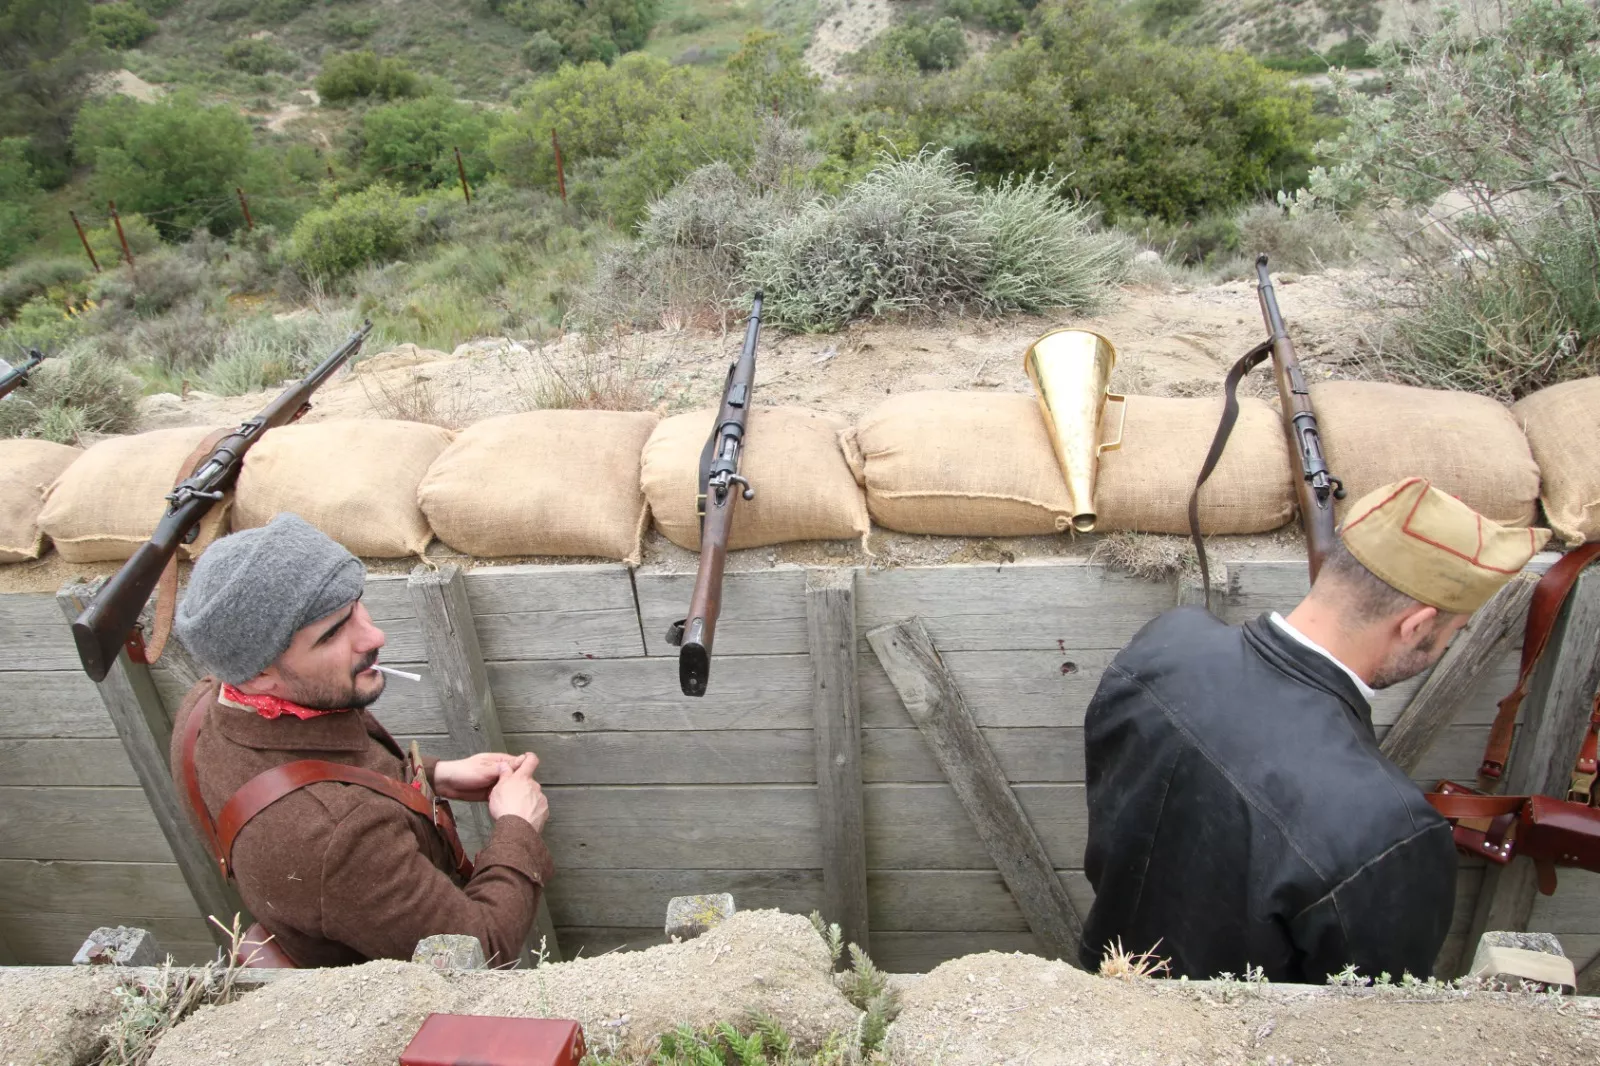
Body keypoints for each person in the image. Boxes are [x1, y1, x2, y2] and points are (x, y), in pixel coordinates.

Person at [1079, 477, 1551, 982]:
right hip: (1233, 1029)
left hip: (1102, 983)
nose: (1447, 645)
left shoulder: (1166, 642)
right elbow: (1375, 1015)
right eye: (1453, 632)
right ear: (1416, 625)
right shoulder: (1392, 831)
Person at [168, 513, 553, 968]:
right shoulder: (335, 838)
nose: (375, 636)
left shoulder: (208, 705)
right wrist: (517, 827)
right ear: (259, 675)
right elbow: (477, 952)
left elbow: (323, 771)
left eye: (356, 606)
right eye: (332, 633)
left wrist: (432, 777)